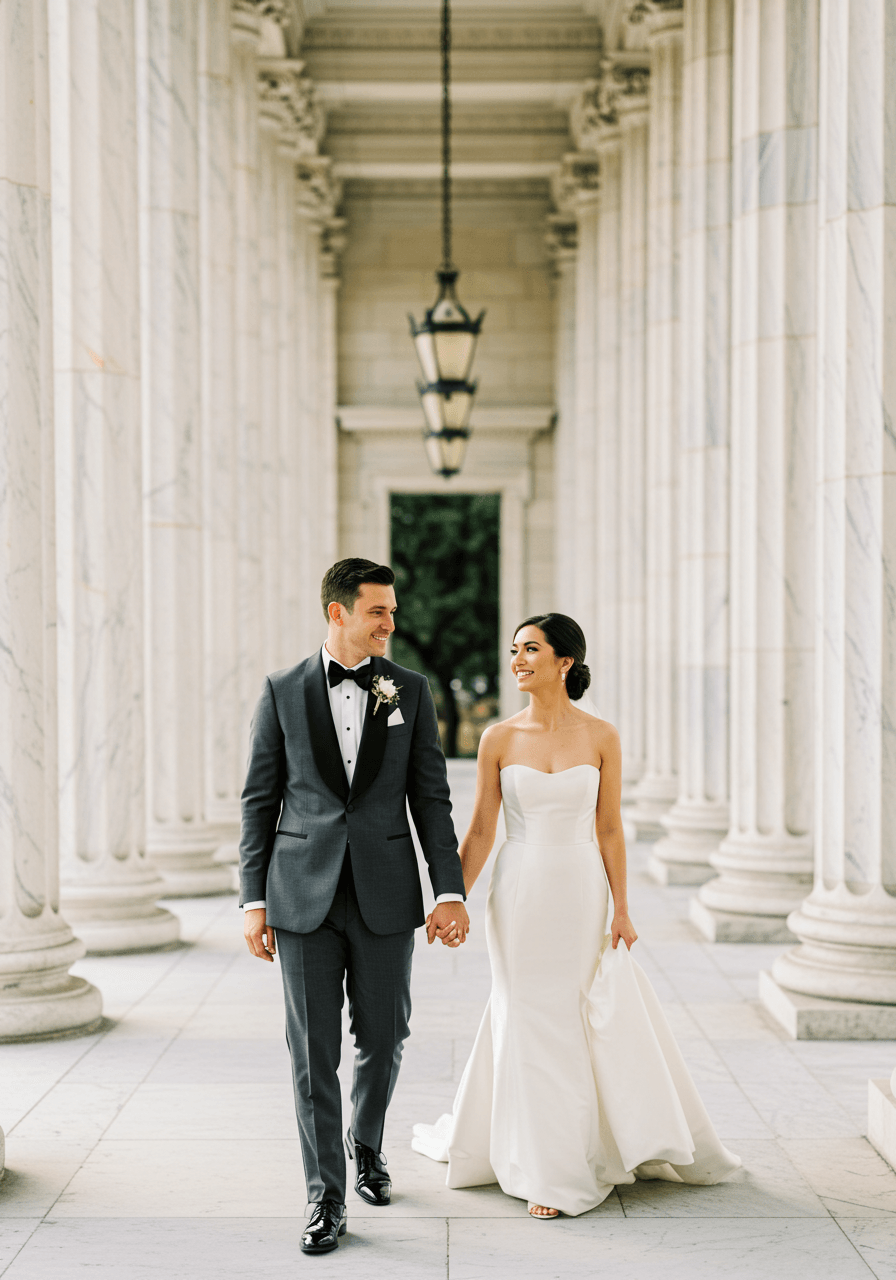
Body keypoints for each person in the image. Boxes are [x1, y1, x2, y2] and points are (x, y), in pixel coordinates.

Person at [413, 613, 741, 1218]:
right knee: (528, 1015)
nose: (517, 660)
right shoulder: (498, 738)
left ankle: (578, 1149)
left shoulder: (601, 736)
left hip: (581, 890)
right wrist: (450, 896)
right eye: (514, 650)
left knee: (576, 1017)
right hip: (519, 894)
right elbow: (483, 827)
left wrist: (623, 909)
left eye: (531, 650)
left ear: (565, 661)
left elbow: (610, 828)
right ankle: (547, 1167)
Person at [240, 558, 470, 1254]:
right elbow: (259, 800)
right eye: (378, 611)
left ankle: (365, 1144)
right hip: (299, 895)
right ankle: (325, 1198)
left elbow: (431, 797)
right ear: (338, 613)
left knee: (384, 1034)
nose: (390, 623)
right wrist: (252, 900)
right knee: (312, 1055)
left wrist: (449, 888)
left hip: (385, 892)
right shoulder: (281, 690)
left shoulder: (411, 690)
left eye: (392, 611)